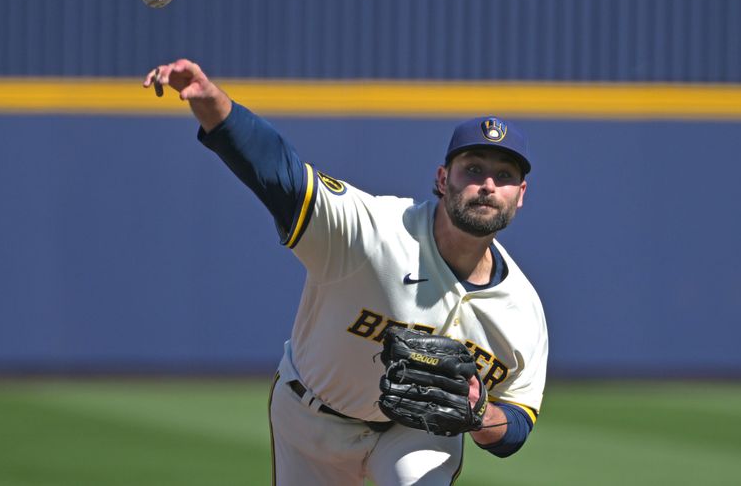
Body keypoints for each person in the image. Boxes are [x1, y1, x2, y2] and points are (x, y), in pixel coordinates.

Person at [144, 59, 548, 485]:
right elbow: (280, 177)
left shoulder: (522, 310)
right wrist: (215, 107)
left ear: (519, 195)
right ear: (443, 178)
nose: (487, 184)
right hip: (310, 419)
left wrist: (481, 415)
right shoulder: (375, 232)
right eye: (474, 169)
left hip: (415, 432)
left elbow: (517, 423)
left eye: (504, 176)